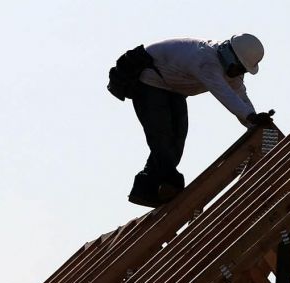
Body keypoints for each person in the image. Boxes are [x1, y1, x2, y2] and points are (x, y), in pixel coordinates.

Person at [108, 34, 274, 208]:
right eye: (239, 68)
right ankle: (157, 188)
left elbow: (240, 96)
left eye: (242, 70)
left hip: (173, 88)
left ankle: (150, 187)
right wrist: (251, 117)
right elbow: (224, 94)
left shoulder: (232, 71)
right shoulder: (206, 60)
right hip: (150, 79)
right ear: (231, 57)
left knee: (178, 137)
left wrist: (253, 123)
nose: (238, 73)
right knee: (162, 136)